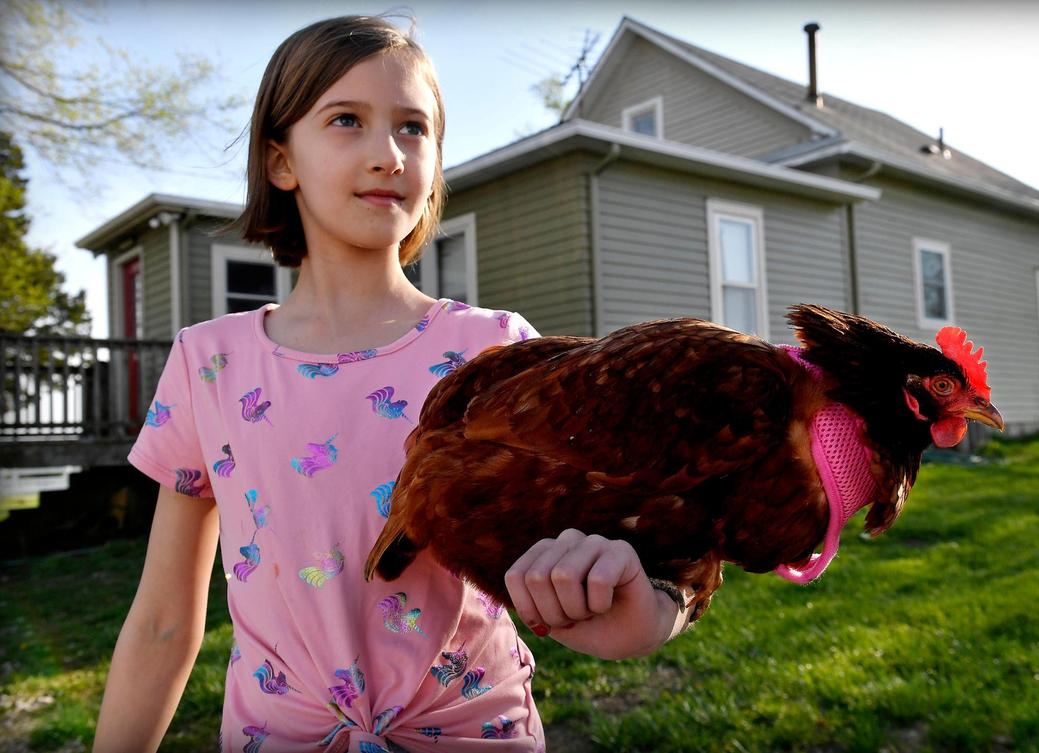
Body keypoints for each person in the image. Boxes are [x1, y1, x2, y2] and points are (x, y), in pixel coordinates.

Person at [92, 16, 694, 753]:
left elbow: (661, 558)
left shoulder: (495, 350)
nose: (388, 154)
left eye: (414, 128)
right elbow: (161, 622)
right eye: (346, 120)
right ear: (281, 160)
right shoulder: (208, 364)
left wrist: (638, 606)